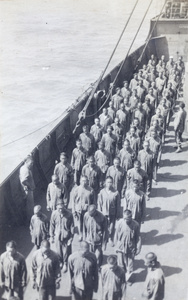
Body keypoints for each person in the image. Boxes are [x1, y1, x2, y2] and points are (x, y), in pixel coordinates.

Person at [114, 210, 141, 285]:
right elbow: (116, 234)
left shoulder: (135, 224)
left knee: (130, 265)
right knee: (121, 264)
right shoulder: (120, 222)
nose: (125, 220)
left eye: (127, 219)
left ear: (131, 217)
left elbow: (138, 237)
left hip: (130, 247)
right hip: (120, 247)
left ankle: (129, 279)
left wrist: (138, 248)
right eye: (124, 218)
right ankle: (122, 279)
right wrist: (116, 246)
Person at [50, 199, 74, 273]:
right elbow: (52, 225)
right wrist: (51, 236)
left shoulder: (69, 215)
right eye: (59, 208)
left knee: (66, 251)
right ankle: (60, 262)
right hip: (57, 236)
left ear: (64, 206)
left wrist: (71, 238)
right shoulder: (54, 214)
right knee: (58, 251)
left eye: (62, 208)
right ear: (56, 207)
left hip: (66, 237)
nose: (60, 210)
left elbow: (72, 227)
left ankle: (65, 263)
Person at [98, 176, 121, 246]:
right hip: (103, 213)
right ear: (105, 183)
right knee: (103, 226)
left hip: (112, 213)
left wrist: (118, 214)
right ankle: (103, 238)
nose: (109, 184)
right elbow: (99, 203)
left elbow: (118, 204)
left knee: (111, 227)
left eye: (111, 182)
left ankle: (110, 238)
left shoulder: (116, 192)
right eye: (108, 182)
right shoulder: (102, 192)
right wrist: (100, 212)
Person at [72, 176, 94, 241]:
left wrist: (93, 210)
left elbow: (93, 201)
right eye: (82, 181)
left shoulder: (91, 190)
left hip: (87, 210)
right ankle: (80, 235)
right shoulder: (76, 190)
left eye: (85, 181)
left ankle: (87, 235)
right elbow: (73, 201)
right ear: (80, 181)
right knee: (80, 223)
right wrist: (74, 211)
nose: (84, 182)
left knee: (87, 223)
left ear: (87, 181)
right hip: (79, 210)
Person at [19, 155, 35, 222]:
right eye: (31, 163)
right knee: (30, 206)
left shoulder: (22, 168)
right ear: (26, 162)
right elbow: (24, 181)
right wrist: (30, 186)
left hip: (26, 190)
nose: (32, 165)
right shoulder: (26, 170)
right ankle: (31, 220)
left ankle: (28, 219)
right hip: (28, 190)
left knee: (28, 206)